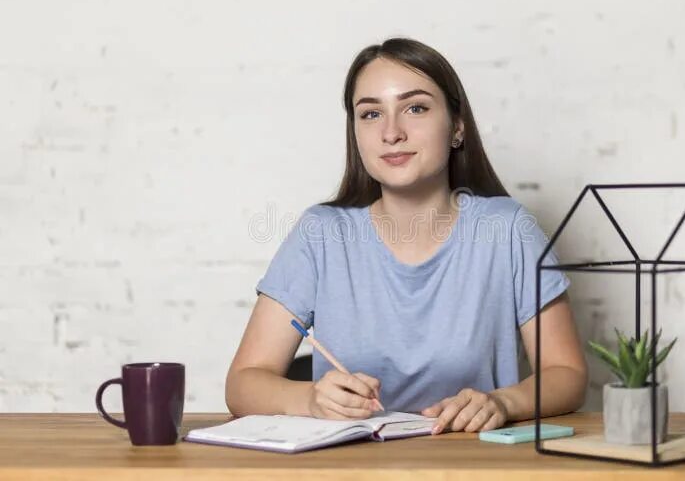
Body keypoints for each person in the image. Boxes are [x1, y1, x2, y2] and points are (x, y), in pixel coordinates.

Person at [225, 37, 588, 435]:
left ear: (457, 126)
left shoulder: (508, 229)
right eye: (370, 114)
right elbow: (243, 382)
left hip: (474, 466)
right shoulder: (320, 235)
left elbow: (566, 374)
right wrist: (309, 399)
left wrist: (504, 402)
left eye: (415, 108)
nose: (391, 132)